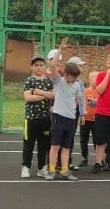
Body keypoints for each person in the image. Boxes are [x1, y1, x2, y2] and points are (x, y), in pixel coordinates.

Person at [45, 41, 83, 181]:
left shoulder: (77, 85)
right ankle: (51, 170)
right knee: (55, 145)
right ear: (66, 75)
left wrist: (74, 112)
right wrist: (60, 49)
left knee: (67, 146)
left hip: (70, 119)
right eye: (73, 78)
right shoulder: (59, 81)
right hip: (58, 117)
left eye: (76, 78)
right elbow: (53, 65)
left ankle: (64, 171)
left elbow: (77, 100)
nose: (75, 80)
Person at [21, 56, 54, 179]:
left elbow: (54, 96)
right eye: (36, 65)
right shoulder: (29, 81)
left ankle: (42, 168)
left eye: (41, 65)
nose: (39, 67)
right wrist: (46, 95)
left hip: (45, 118)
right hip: (31, 117)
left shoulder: (48, 81)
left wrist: (40, 93)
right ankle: (26, 167)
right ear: (32, 67)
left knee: (44, 144)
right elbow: (28, 97)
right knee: (28, 143)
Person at [77, 68, 98, 169]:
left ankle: (98, 159)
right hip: (86, 119)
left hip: (97, 120)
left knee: (97, 140)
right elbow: (82, 104)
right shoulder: (85, 91)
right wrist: (82, 116)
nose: (98, 80)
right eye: (96, 78)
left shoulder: (100, 91)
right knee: (83, 139)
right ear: (90, 80)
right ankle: (84, 157)